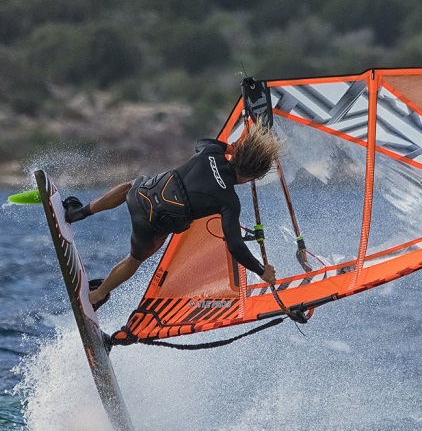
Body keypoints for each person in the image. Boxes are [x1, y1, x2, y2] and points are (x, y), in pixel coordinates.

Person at [63, 123, 279, 310]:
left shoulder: (211, 152)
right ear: (253, 176)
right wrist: (261, 271)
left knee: (132, 185)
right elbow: (235, 245)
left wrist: (231, 147)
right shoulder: (229, 201)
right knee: (134, 259)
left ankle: (77, 213)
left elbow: (204, 140)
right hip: (150, 226)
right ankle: (97, 296)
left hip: (140, 197)